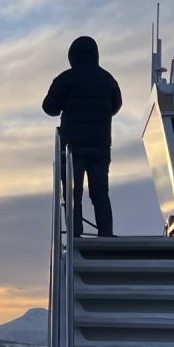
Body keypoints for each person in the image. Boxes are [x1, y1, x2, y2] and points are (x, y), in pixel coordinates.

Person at [43, 36, 122, 237]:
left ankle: (75, 234)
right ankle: (106, 233)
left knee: (72, 192)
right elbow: (116, 105)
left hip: (73, 148)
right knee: (100, 193)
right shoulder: (107, 79)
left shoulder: (66, 79)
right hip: (100, 146)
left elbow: (49, 107)